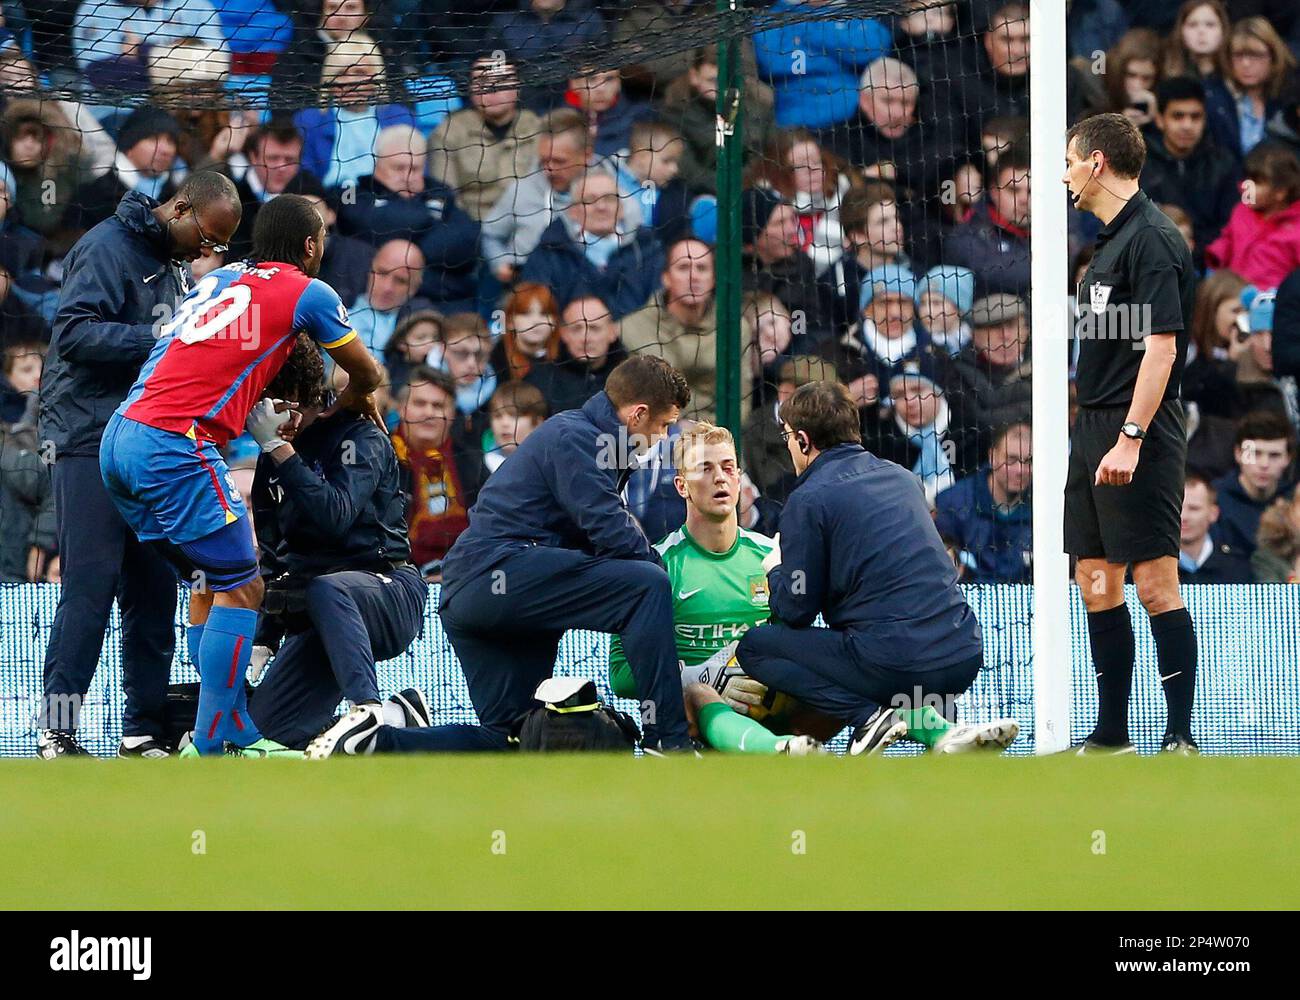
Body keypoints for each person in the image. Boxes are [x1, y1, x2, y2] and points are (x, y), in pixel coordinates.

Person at [98, 193, 386, 756]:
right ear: (310, 244)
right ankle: (215, 735)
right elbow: (367, 370)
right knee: (244, 583)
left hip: (119, 438)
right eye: (322, 239)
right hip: (175, 442)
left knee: (208, 579)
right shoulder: (310, 292)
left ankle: (221, 723)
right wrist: (348, 397)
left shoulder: (222, 277)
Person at [307, 356, 695, 755]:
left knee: (511, 739)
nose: (664, 437)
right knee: (647, 585)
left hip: (478, 596)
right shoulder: (578, 437)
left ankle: (376, 742)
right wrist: (663, 569)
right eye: (664, 425)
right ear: (638, 414)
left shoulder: (592, 442)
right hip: (498, 574)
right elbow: (612, 532)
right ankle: (669, 741)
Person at [36, 173, 241, 759]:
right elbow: (73, 334)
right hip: (85, 436)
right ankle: (57, 730)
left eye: (218, 247)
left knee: (154, 590)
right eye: (207, 236)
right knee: (90, 584)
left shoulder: (171, 262)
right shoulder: (106, 247)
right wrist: (162, 335)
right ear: (180, 209)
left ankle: (144, 730)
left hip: (149, 445)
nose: (208, 252)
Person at [733, 380, 1019, 756]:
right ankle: (945, 732)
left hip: (896, 663)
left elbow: (795, 612)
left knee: (756, 647)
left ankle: (868, 718)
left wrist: (777, 571)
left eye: (787, 436)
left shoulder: (808, 498)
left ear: (803, 440)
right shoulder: (902, 478)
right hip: (963, 654)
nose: (788, 446)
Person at [1063, 112, 1200, 755]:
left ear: (1096, 163)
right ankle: (1112, 733)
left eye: (1069, 160)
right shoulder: (1106, 243)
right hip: (1094, 424)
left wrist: (1131, 436)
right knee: (1095, 579)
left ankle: (1179, 737)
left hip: (1136, 428)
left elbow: (1161, 350)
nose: (1064, 174)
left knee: (1153, 582)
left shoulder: (1154, 239)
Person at [245, 336, 429, 749]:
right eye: (270, 406)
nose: (281, 418)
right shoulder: (269, 457)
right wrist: (264, 637)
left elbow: (336, 516)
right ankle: (399, 719)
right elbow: (276, 559)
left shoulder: (361, 439)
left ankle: (367, 707)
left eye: (290, 406)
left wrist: (280, 450)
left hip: (387, 592)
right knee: (269, 733)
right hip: (319, 609)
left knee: (331, 589)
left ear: (312, 396)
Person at [608, 422, 824, 756]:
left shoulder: (771, 557)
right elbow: (621, 676)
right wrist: (706, 676)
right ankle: (778, 751)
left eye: (727, 468)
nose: (719, 478)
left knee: (847, 674)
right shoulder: (657, 566)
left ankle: (919, 736)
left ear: (739, 478)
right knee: (697, 694)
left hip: (770, 707)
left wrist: (771, 678)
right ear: (682, 486)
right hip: (694, 724)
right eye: (704, 469)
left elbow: (797, 641)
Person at [391, 366, 487, 579]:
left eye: (438, 405)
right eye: (419, 403)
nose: (429, 413)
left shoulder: (471, 462)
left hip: (464, 576)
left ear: (452, 413)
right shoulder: (383, 458)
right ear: (401, 408)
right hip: (399, 577)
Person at [426, 55, 541, 222]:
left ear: (518, 87)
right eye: (483, 81)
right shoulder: (448, 132)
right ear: (471, 88)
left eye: (502, 81)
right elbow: (446, 195)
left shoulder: (538, 128)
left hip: (531, 220)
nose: (492, 89)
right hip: (474, 224)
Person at [1138, 76, 1241, 258]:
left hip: (1207, 263)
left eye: (1195, 117)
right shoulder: (1138, 162)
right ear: (1160, 120)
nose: (1187, 125)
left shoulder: (1223, 164)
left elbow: (1230, 227)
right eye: (1178, 116)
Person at [933, 422, 1033, 584]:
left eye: (1029, 461)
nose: (1020, 470)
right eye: (1011, 460)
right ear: (992, 457)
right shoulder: (954, 503)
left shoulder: (1047, 509)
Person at [1205, 144, 1300, 288]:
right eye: (1247, 179)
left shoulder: (1296, 230)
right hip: (1234, 292)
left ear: (1280, 192)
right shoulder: (1242, 211)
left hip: (1271, 300)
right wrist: (1217, 255)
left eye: (1257, 183)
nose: (1245, 186)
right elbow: (1229, 237)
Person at [1210, 410, 1297, 557]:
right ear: (1238, 454)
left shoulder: (1295, 501)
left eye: (1274, 455)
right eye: (1255, 453)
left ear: (1288, 458)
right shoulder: (1213, 500)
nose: (1264, 464)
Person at [1177, 471, 1254, 582]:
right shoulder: (1154, 567)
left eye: (1194, 508)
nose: (1184, 517)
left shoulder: (1236, 566)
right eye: (1178, 508)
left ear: (1213, 513)